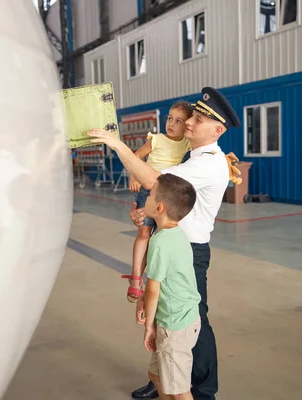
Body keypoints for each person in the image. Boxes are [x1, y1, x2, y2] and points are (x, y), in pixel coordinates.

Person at [87, 87, 241, 400]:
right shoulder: (193, 156)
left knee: (193, 321)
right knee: (165, 316)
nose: (189, 124)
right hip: (171, 244)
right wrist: (146, 212)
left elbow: (155, 182)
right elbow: (168, 201)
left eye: (197, 120)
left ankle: (202, 389)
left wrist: (117, 144)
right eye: (192, 117)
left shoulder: (208, 163)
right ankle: (163, 379)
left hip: (190, 253)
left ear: (217, 130)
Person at [123, 101, 192, 304]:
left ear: (186, 125)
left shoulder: (187, 143)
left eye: (178, 121)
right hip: (148, 190)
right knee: (144, 231)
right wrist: (135, 176)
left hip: (168, 193)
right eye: (170, 118)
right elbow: (136, 156)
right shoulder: (157, 139)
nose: (171, 123)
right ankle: (136, 278)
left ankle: (157, 277)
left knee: (162, 237)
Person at [140, 173, 201, 400]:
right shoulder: (177, 235)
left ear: (160, 208)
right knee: (156, 376)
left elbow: (153, 289)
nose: (146, 198)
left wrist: (149, 326)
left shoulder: (159, 242)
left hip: (174, 326)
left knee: (179, 390)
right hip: (185, 319)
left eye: (150, 195)